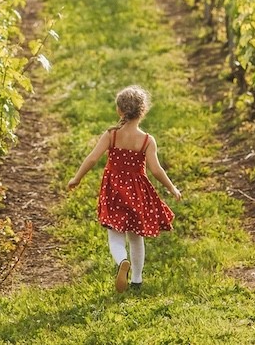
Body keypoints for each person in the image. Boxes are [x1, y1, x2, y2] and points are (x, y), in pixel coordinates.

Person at [67, 85, 181, 293]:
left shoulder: (111, 135)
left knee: (115, 234)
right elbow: (156, 170)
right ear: (143, 111)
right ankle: (136, 280)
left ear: (120, 111)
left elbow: (92, 158)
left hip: (113, 189)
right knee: (136, 237)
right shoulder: (147, 140)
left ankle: (121, 261)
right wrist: (172, 188)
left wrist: (77, 178)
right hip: (137, 191)